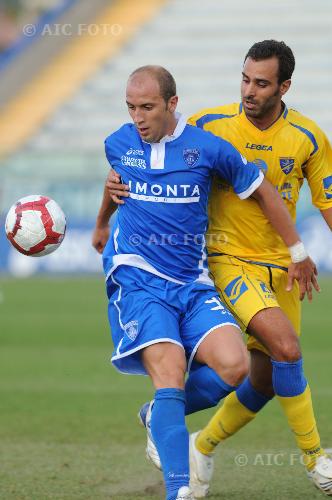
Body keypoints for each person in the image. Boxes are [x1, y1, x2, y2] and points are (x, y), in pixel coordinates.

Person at [104, 41, 332, 498]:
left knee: (261, 377)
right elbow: (131, 171)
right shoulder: (208, 126)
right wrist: (104, 213)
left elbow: (323, 202)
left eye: (261, 83)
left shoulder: (308, 137)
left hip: (282, 269)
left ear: (284, 86)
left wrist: (298, 251)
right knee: (286, 348)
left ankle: (197, 443)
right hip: (226, 261)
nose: (249, 90)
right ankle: (316, 461)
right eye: (245, 79)